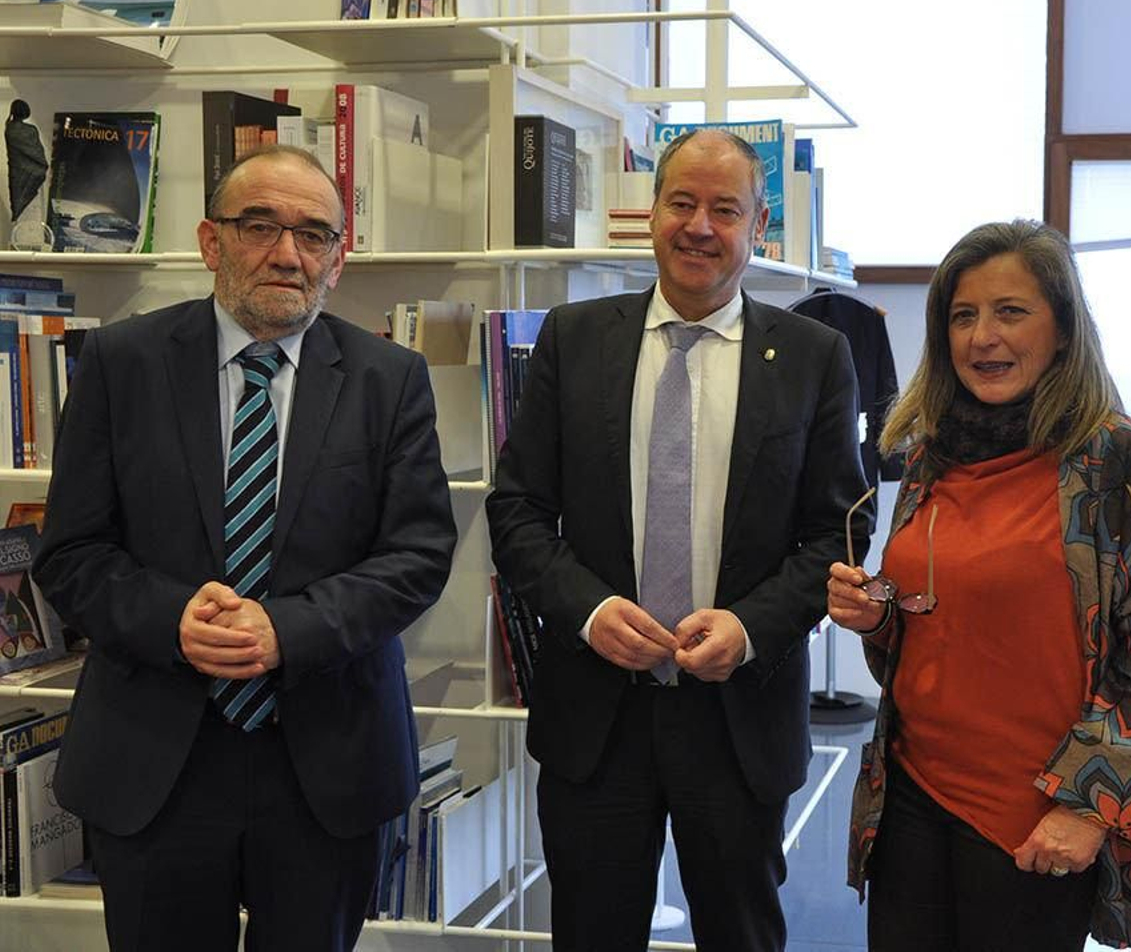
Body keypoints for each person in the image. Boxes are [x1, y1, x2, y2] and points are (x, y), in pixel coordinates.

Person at [35, 145, 457, 951]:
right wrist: (173, 619)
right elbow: (71, 552)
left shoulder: (390, 377)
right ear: (210, 240)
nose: (288, 254)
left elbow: (417, 556)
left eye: (313, 234)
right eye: (260, 225)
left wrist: (284, 629)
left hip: (326, 761)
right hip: (155, 759)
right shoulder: (122, 363)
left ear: (337, 260)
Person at [485, 128, 868, 951]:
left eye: (724, 209)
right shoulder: (572, 339)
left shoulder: (815, 357)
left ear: (757, 226)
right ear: (651, 212)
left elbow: (837, 533)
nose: (699, 226)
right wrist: (590, 612)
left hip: (739, 720)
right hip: (596, 717)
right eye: (682, 202)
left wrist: (750, 627)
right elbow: (517, 512)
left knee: (742, 934)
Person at [828, 219, 1131, 951]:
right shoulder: (931, 454)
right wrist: (876, 616)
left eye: (1010, 311)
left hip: (1035, 816)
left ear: (1063, 328)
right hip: (911, 798)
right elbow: (932, 622)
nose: (982, 337)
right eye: (963, 315)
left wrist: (1089, 805)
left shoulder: (1111, 456)